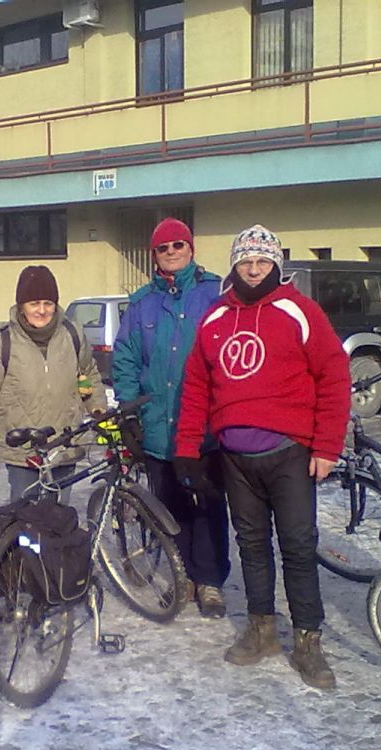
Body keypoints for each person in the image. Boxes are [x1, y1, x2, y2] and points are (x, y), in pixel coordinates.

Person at [174, 225, 350, 688]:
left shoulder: (299, 311)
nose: (254, 269)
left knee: (297, 547)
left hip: (289, 452)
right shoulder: (215, 318)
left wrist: (327, 446)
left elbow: (334, 376)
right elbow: (196, 387)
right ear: (235, 266)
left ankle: (308, 641)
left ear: (276, 265)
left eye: (262, 261)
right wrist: (187, 449)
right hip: (235, 456)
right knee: (251, 546)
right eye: (246, 261)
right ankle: (261, 629)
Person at [112, 218, 232, 618]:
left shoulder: (214, 294)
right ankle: (184, 577)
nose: (171, 252)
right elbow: (126, 359)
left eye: (178, 245)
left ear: (191, 248)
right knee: (169, 509)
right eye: (163, 248)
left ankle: (210, 580)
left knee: (207, 507)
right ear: (154, 255)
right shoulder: (142, 303)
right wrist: (130, 412)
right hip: (158, 427)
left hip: (205, 430)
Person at [0, 264, 104, 505]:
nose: (42, 310)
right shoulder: (1, 341)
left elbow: (88, 373)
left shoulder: (72, 334)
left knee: (60, 517)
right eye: (34, 304)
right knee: (26, 516)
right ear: (21, 306)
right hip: (24, 449)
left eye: (48, 303)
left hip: (64, 445)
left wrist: (98, 408)